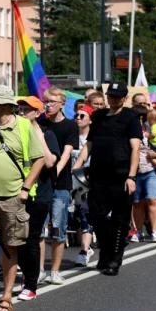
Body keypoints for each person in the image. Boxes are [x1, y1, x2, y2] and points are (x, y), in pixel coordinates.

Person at [0, 85, 43, 311]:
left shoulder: (24, 126)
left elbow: (39, 159)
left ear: (5, 105)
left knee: (9, 247)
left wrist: (26, 188)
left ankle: (6, 295)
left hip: (14, 196)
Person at [75, 82, 140, 274]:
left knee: (120, 219)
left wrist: (132, 177)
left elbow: (135, 148)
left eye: (118, 96)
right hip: (98, 175)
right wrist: (75, 169)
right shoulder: (99, 116)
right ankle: (108, 250)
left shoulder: (131, 117)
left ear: (125, 98)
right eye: (111, 95)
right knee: (96, 215)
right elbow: (89, 145)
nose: (114, 99)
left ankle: (113, 261)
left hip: (121, 176)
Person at [14, 96, 57, 301]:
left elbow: (49, 162)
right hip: (15, 192)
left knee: (31, 239)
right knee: (15, 240)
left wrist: (37, 134)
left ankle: (30, 284)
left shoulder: (47, 134)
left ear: (37, 114)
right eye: (20, 109)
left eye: (27, 110)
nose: (22, 112)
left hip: (39, 195)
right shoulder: (15, 131)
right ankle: (25, 274)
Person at [41, 87, 79, 283]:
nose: (48, 105)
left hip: (60, 183)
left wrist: (55, 172)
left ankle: (54, 270)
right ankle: (39, 270)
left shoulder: (70, 126)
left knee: (57, 227)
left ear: (62, 104)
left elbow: (67, 153)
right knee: (39, 228)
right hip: (40, 183)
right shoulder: (41, 122)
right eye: (46, 101)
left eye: (52, 102)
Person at [129, 92, 156, 243]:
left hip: (151, 170)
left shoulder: (152, 128)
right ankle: (137, 230)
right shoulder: (129, 129)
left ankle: (155, 231)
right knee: (137, 203)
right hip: (135, 171)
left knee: (152, 199)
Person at [72, 105, 95, 265]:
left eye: (82, 116)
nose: (78, 118)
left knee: (87, 215)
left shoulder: (94, 139)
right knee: (76, 217)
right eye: (77, 115)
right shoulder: (71, 136)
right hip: (71, 180)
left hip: (89, 181)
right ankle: (85, 245)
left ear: (90, 120)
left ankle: (84, 251)